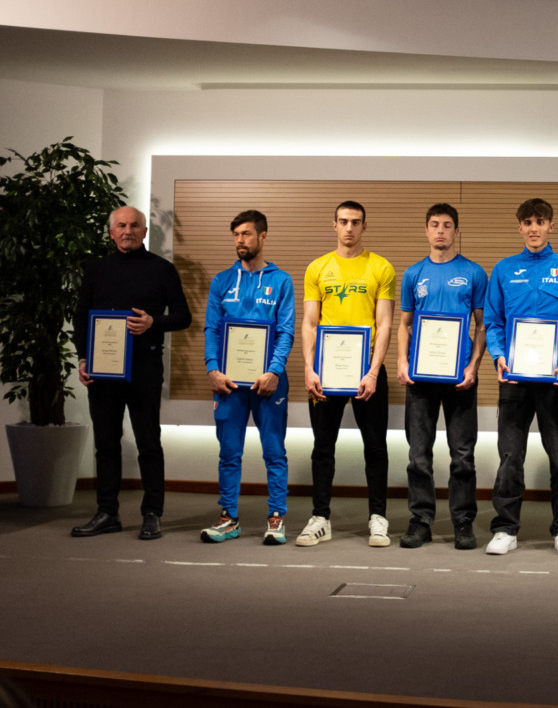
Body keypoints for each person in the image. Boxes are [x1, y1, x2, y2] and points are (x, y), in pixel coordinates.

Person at [73, 206, 192, 540]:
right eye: (121, 226)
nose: (128, 231)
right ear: (112, 232)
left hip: (144, 369)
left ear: (144, 231)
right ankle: (107, 512)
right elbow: (81, 317)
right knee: (106, 444)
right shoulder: (96, 269)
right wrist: (82, 358)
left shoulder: (162, 269)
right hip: (102, 371)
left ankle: (152, 513)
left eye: (134, 225)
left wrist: (154, 322)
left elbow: (183, 317)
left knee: (148, 442)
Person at [482, 198, 558, 556]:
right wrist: (499, 355)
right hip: (514, 380)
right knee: (510, 456)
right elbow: (493, 322)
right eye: (527, 222)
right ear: (520, 227)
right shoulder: (504, 269)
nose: (534, 228)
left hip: (556, 379)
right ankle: (505, 528)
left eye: (540, 222)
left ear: (551, 226)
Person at [297, 200, 396, 548]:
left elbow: (385, 324)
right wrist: (309, 368)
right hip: (326, 374)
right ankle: (320, 519)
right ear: (334, 225)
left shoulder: (381, 267)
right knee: (322, 447)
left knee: (376, 447)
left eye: (356, 222)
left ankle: (378, 518)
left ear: (364, 226)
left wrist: (373, 372)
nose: (349, 227)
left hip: (368, 373)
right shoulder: (317, 268)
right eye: (343, 221)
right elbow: (310, 323)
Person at [200, 210, 296, 545]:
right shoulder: (222, 281)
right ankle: (228, 518)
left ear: (262, 236)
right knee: (229, 452)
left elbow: (286, 331)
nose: (240, 240)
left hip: (269, 382)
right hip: (228, 382)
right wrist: (212, 368)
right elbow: (211, 329)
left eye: (246, 234)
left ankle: (276, 517)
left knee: (274, 451)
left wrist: (274, 370)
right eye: (236, 234)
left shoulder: (281, 281)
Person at [396, 203, 488, 550]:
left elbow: (482, 325)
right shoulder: (413, 274)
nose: (440, 231)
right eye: (434, 224)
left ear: (456, 231)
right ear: (426, 230)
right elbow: (405, 325)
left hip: (459, 378)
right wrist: (402, 361)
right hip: (421, 378)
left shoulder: (474, 273)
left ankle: (463, 522)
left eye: (447, 225)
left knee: (462, 455)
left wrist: (473, 366)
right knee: (418, 455)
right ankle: (421, 520)